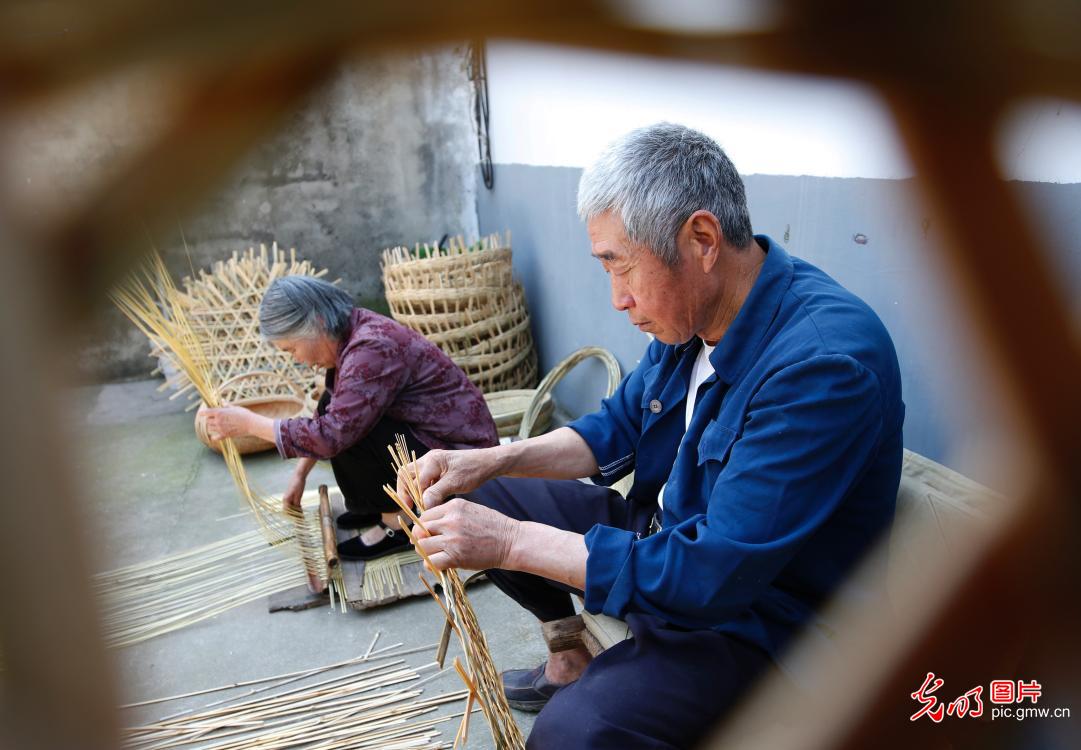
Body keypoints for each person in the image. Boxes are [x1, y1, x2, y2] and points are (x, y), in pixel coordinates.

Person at [399, 123, 905, 749]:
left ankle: (621, 686)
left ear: (701, 240)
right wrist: (491, 461)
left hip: (759, 621)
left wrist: (509, 543)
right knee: (480, 495)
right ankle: (573, 657)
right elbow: (615, 428)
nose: (617, 299)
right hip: (664, 542)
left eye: (622, 267)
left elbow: (712, 572)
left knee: (571, 735)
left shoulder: (822, 366)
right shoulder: (691, 318)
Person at [204, 275, 499, 560]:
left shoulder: (370, 346)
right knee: (333, 402)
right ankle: (378, 505)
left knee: (351, 428)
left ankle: (399, 524)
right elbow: (329, 412)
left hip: (464, 459)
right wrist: (299, 475)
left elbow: (332, 435)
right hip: (434, 441)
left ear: (316, 323)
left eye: (292, 349)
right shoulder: (353, 332)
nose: (298, 360)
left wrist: (248, 423)